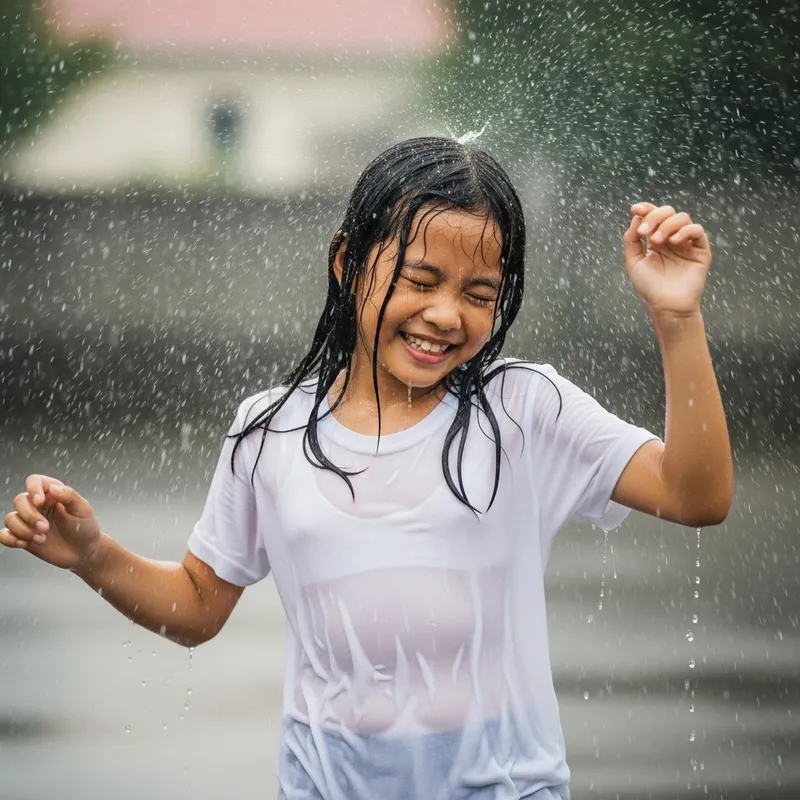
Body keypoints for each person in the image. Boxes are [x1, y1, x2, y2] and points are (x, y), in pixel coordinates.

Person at [2, 137, 733, 799]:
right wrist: (93, 557)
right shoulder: (271, 430)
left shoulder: (522, 410)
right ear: (348, 262)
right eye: (419, 280)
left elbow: (695, 494)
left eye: (479, 294)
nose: (446, 315)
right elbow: (196, 606)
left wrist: (676, 318)